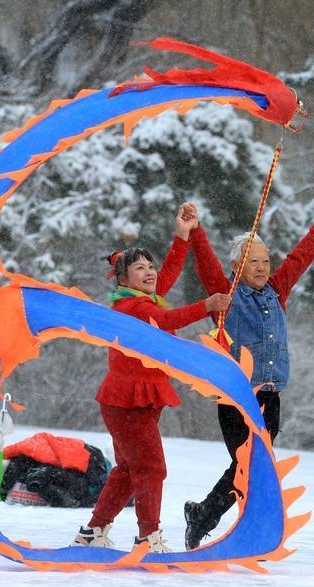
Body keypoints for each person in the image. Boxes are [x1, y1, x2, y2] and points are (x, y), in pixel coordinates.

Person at [180, 199, 314, 549]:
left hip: (270, 397)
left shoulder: (278, 291)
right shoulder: (226, 297)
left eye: (266, 261)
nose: (262, 267)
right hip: (237, 397)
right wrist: (196, 229)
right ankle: (218, 520)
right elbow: (206, 262)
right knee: (247, 467)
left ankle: (206, 514)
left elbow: (301, 257)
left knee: (255, 469)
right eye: (252, 261)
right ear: (237, 265)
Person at [73, 210, 231, 553]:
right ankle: (148, 537)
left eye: (150, 266)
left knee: (130, 470)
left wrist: (182, 235)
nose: (151, 272)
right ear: (123, 279)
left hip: (135, 399)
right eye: (140, 268)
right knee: (151, 468)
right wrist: (208, 305)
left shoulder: (142, 299)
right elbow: (166, 318)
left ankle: (93, 532)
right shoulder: (131, 307)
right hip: (126, 400)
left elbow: (169, 275)